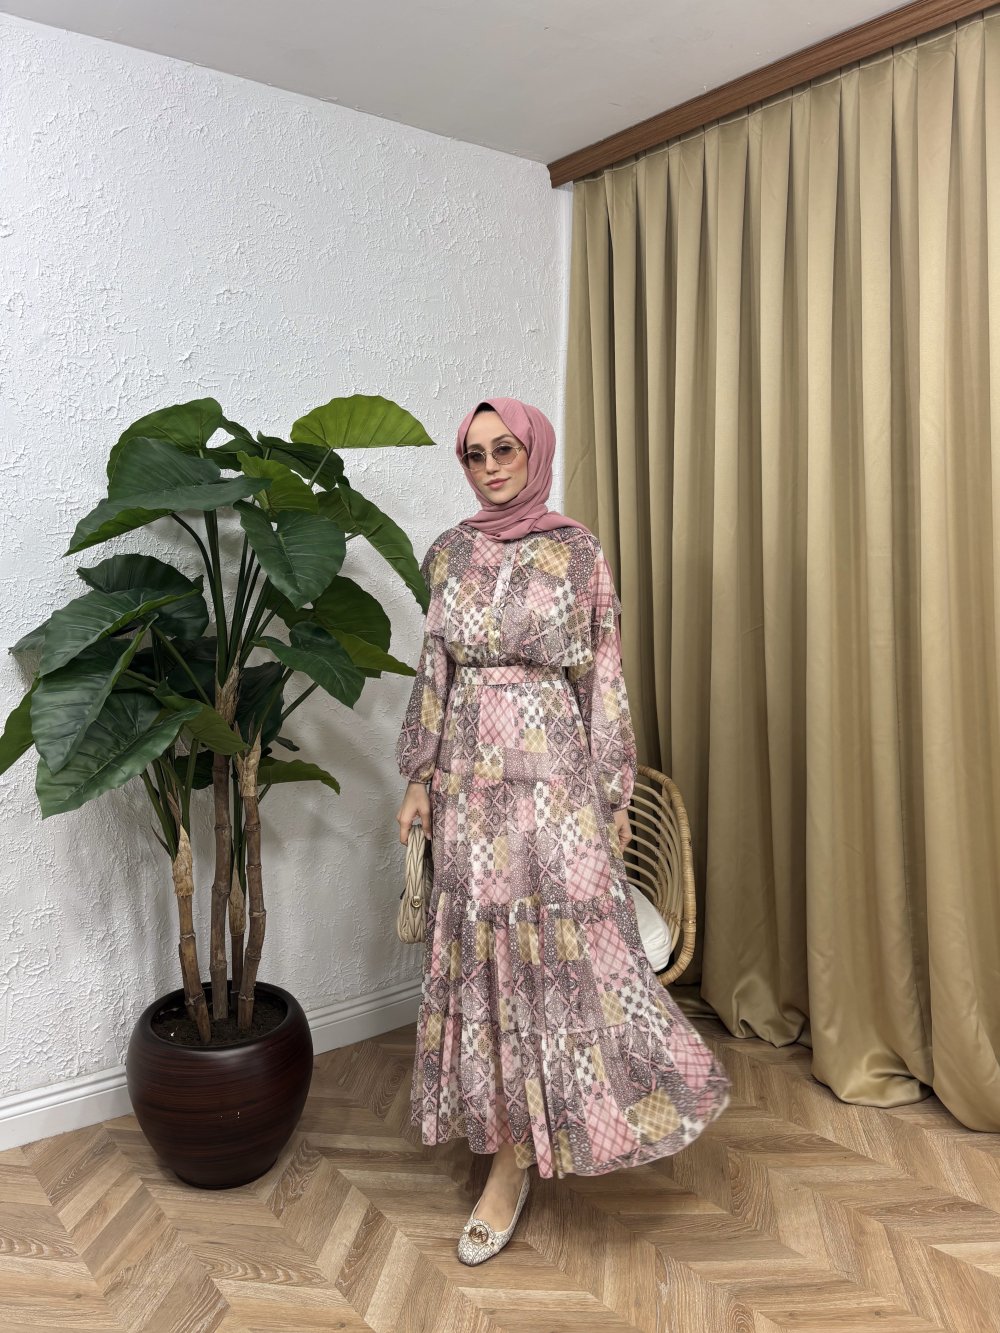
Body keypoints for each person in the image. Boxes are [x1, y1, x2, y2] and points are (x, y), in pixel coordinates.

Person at [394, 396, 731, 1265]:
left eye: (504, 448)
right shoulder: (449, 553)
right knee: (489, 960)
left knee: (566, 961)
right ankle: (508, 1141)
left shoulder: (578, 552)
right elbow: (434, 668)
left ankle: (540, 1143)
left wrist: (613, 793)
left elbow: (603, 675)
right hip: (469, 780)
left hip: (554, 783)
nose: (491, 467)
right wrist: (420, 778)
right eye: (474, 455)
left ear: (534, 449)